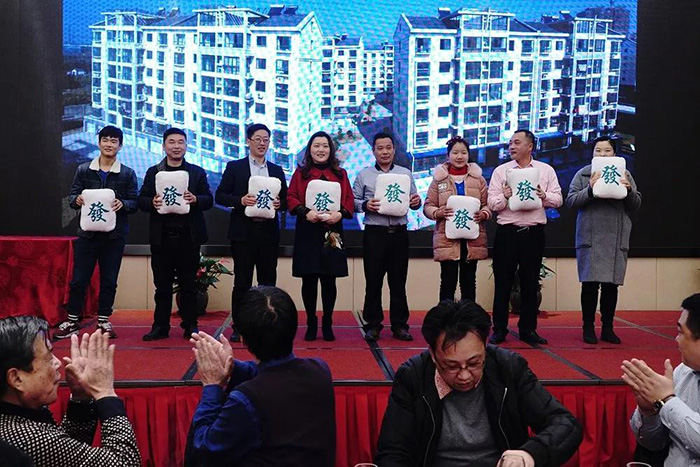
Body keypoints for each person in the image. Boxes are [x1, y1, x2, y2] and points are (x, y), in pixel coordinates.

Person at [374, 299, 582, 466]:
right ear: (433, 355)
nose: (465, 376)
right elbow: (393, 452)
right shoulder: (413, 376)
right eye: (452, 366)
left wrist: (529, 454)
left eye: (474, 363)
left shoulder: (508, 368)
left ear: (485, 346)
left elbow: (565, 424)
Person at [188, 286, 336, 466]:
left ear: (243, 340)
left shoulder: (245, 401)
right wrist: (232, 366)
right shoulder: (320, 371)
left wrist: (212, 387)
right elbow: (274, 373)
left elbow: (204, 449)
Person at [0, 316, 140, 466]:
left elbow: (66, 455)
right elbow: (125, 462)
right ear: (16, 379)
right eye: (48, 358)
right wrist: (105, 392)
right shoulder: (27, 439)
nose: (58, 363)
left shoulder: (14, 419)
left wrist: (81, 399)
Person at [55, 125, 138, 339]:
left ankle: (103, 321)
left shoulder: (128, 173)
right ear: (99, 142)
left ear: (120, 146)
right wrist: (77, 200)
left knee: (109, 280)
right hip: (87, 235)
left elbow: (135, 202)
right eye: (105, 140)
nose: (109, 144)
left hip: (114, 236)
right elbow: (72, 197)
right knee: (79, 279)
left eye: (114, 141)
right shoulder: (84, 169)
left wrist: (124, 204)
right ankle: (72, 319)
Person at [487, 130, 562, 345]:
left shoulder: (545, 170)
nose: (511, 146)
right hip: (507, 233)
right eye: (510, 143)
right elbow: (492, 203)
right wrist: (505, 196)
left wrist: (544, 196)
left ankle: (528, 330)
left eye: (517, 143)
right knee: (503, 283)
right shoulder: (501, 171)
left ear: (530, 146)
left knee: (530, 282)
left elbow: (558, 199)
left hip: (533, 234)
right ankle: (499, 329)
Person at [138, 128, 213, 340]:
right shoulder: (153, 172)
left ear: (186, 146)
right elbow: (141, 200)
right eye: (172, 142)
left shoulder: (196, 172)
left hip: (188, 238)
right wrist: (152, 202)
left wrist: (195, 199)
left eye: (181, 142)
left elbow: (209, 199)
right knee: (162, 286)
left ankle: (190, 325)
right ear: (164, 146)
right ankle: (160, 326)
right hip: (161, 238)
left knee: (189, 285)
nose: (176, 146)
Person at [215, 123, 288, 343]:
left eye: (266, 139)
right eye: (257, 139)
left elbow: (286, 200)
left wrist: (280, 203)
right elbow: (220, 195)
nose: (262, 143)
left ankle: (269, 324)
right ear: (248, 141)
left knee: (268, 281)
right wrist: (240, 200)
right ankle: (239, 326)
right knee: (242, 282)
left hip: (268, 233)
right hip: (243, 233)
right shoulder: (235, 167)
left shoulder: (276, 170)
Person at [566, 136, 642, 344]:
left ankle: (608, 328)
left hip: (615, 236)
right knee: (589, 285)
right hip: (591, 236)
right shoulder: (583, 174)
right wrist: (590, 189)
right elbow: (571, 201)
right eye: (598, 150)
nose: (602, 154)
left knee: (611, 286)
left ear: (615, 153)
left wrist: (628, 190)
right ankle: (588, 327)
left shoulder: (625, 174)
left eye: (607, 150)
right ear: (592, 154)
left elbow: (635, 204)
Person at [352, 132, 422, 342]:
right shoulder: (364, 174)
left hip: (399, 234)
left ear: (394, 149)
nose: (385, 152)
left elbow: (414, 201)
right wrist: (366, 204)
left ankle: (400, 325)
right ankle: (373, 325)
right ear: (373, 151)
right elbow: (353, 201)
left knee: (398, 281)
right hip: (374, 233)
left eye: (388, 147)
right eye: (380, 148)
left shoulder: (405, 173)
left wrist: (416, 202)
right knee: (373, 282)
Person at [287, 131, 354, 341]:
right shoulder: (301, 173)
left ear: (330, 150)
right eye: (316, 146)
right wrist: (305, 212)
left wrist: (339, 214)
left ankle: (327, 322)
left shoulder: (341, 174)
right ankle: (310, 321)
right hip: (307, 231)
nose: (321, 150)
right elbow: (291, 197)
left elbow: (349, 200)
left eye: (325, 146)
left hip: (332, 232)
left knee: (329, 279)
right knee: (308, 279)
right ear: (310, 149)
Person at [624, 293, 700, 466]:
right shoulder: (683, 372)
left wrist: (667, 401)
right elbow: (653, 443)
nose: (676, 339)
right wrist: (648, 412)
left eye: (681, 332)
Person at [423, 135, 491, 303]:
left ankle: (469, 318)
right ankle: (445, 318)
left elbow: (488, 205)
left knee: (469, 282)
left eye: (463, 152)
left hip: (472, 240)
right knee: (447, 282)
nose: (459, 156)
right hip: (447, 240)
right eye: (455, 153)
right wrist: (438, 213)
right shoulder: (439, 180)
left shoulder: (479, 179)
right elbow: (428, 206)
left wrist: (483, 214)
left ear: (468, 155)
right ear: (448, 155)